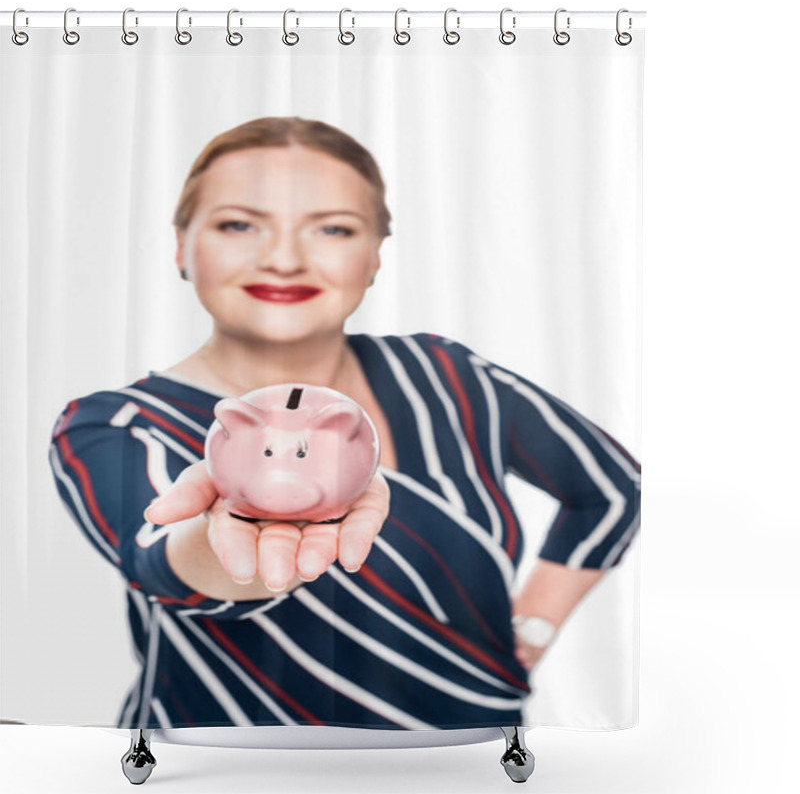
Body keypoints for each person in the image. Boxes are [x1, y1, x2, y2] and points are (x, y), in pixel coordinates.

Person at [49, 116, 641, 730]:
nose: (283, 259)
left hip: (465, 761)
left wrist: (533, 629)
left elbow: (612, 488)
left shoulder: (447, 375)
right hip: (230, 770)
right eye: (238, 224)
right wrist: (249, 522)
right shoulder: (116, 424)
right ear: (181, 244)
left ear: (375, 255)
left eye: (333, 228)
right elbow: (160, 566)